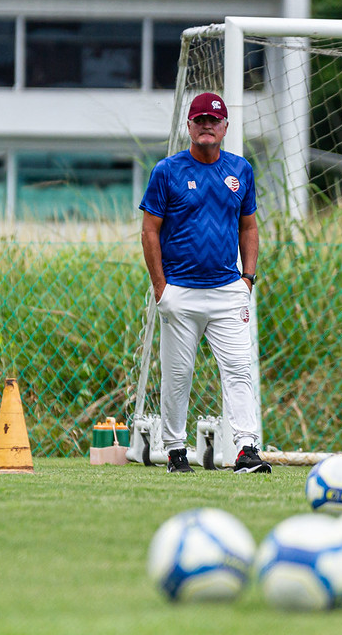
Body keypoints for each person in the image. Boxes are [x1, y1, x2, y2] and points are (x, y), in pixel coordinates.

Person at [139, 92, 271, 474]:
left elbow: (249, 226)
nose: (207, 125)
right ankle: (176, 450)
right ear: (190, 127)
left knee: (240, 368)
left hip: (228, 290)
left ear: (225, 127)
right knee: (178, 374)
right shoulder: (167, 171)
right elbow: (150, 231)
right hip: (180, 291)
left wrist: (247, 278)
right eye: (200, 120)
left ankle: (247, 449)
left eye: (214, 120)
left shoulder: (240, 170)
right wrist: (160, 287)